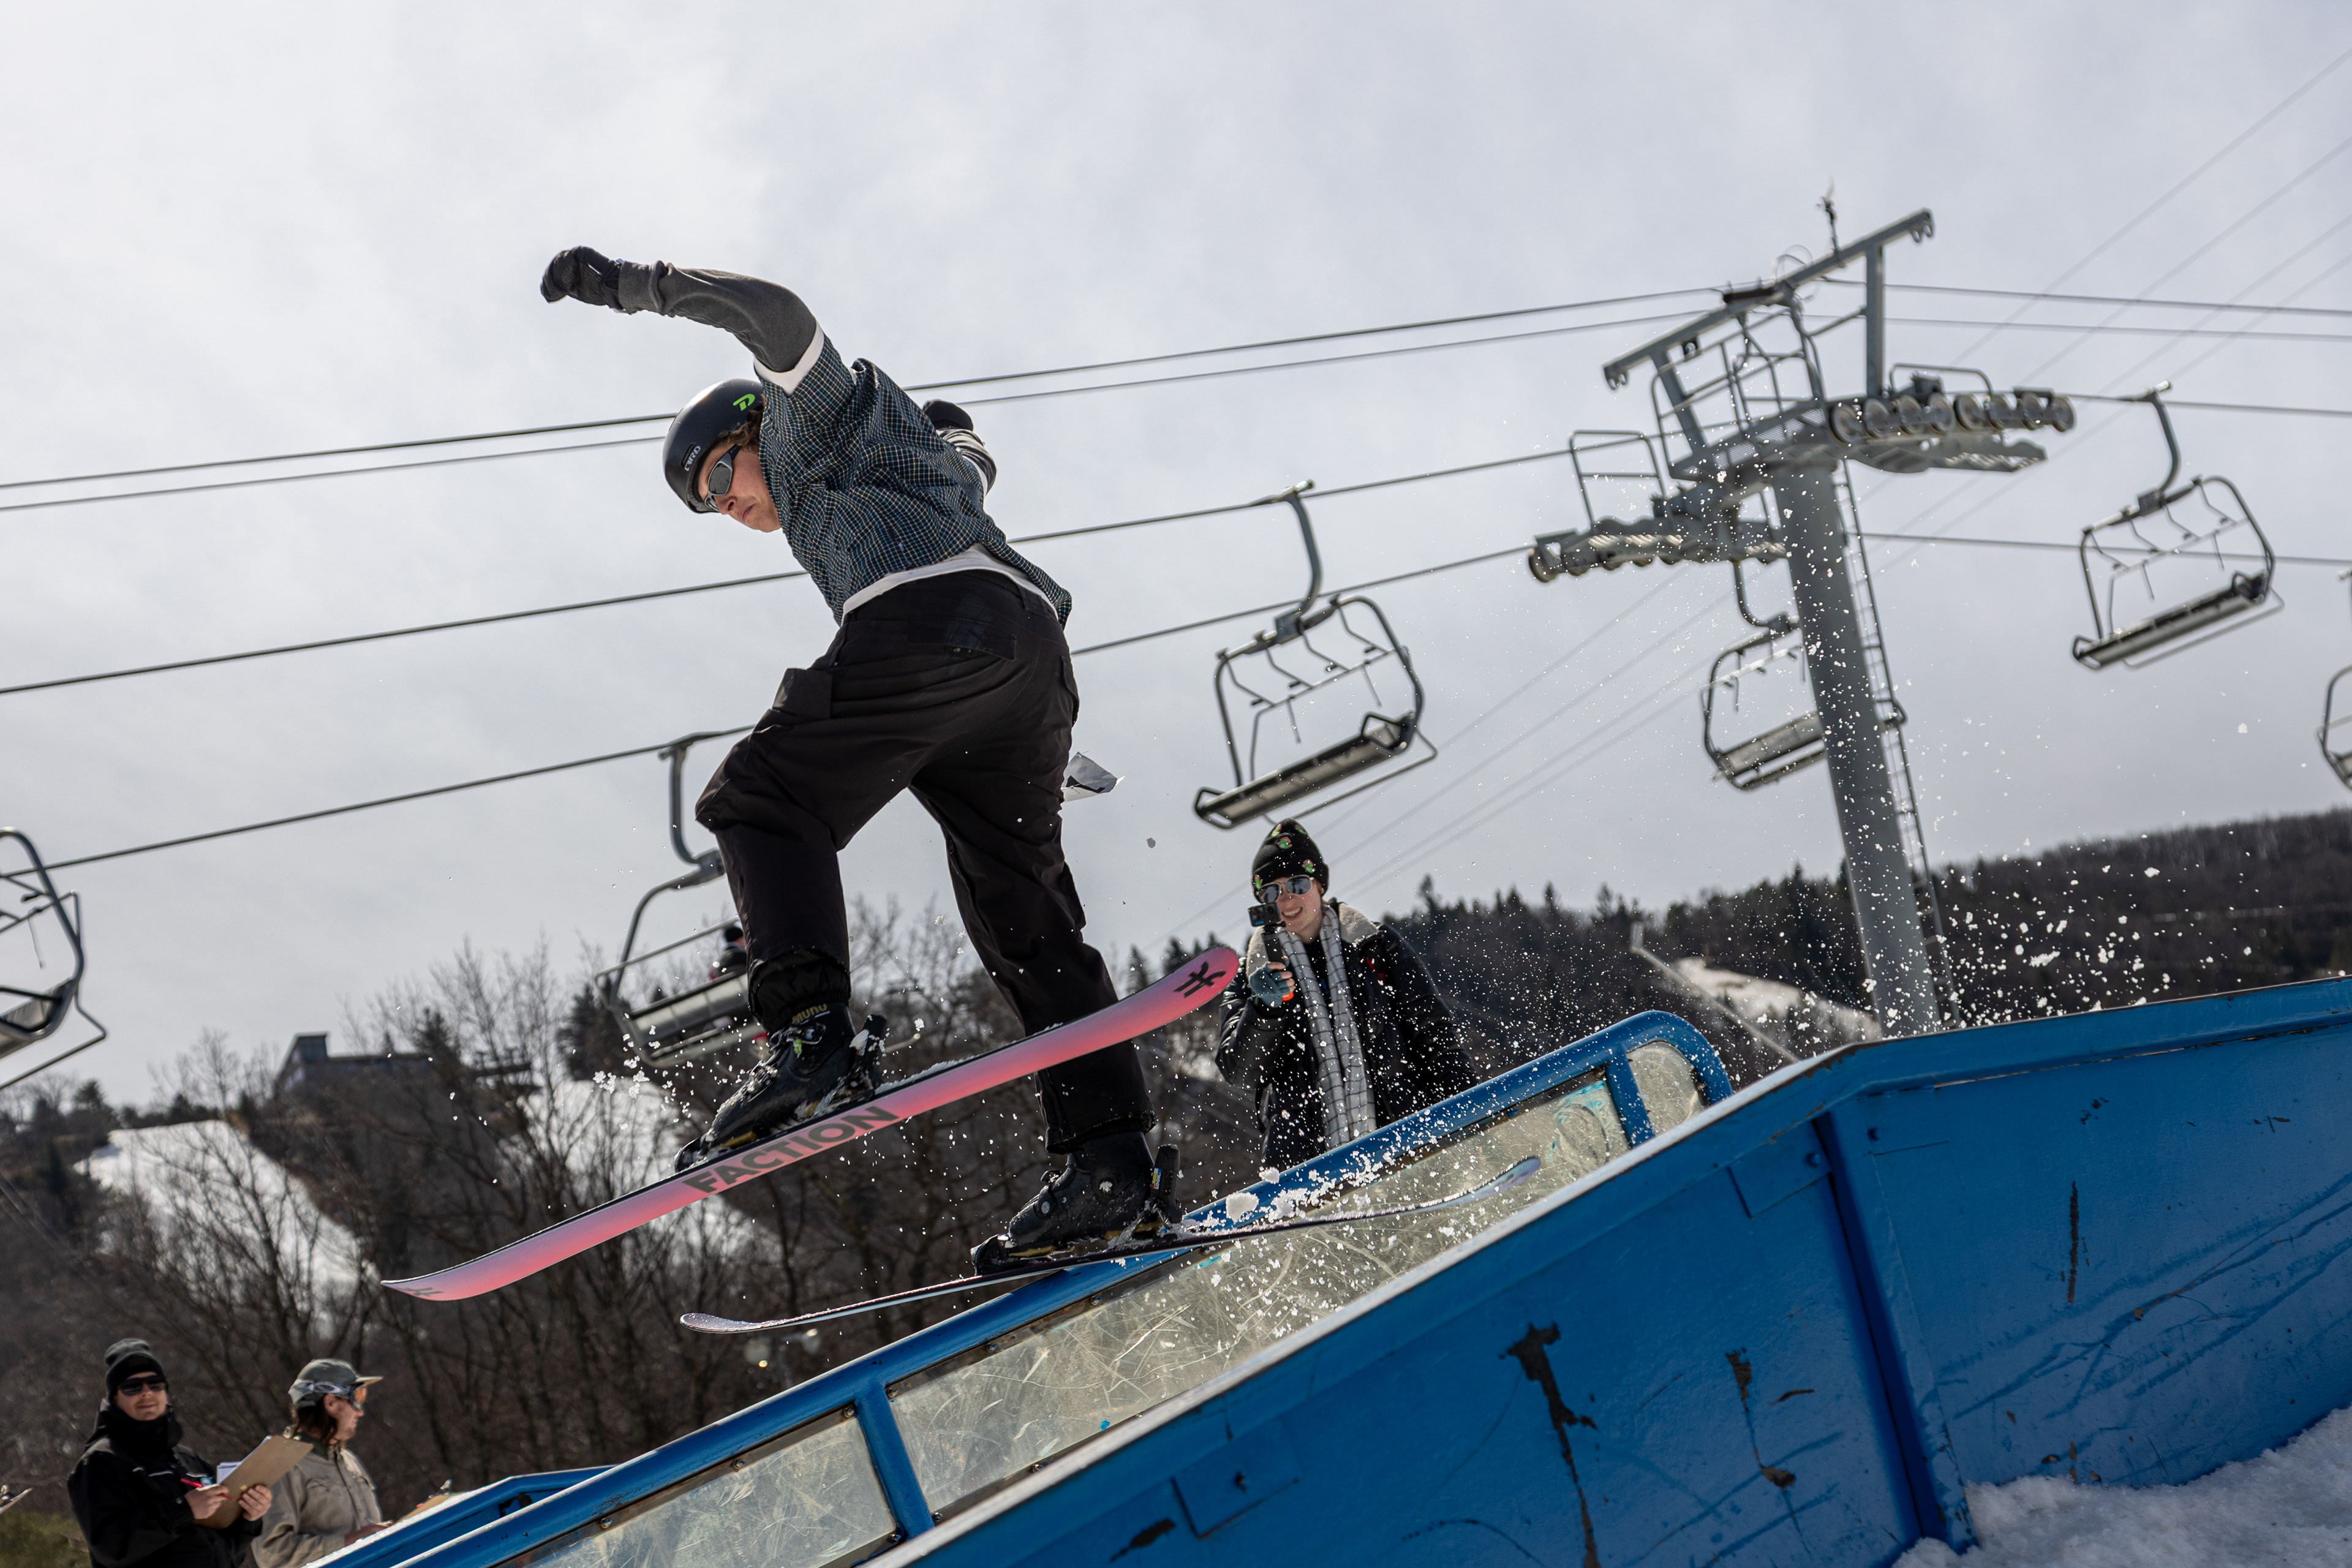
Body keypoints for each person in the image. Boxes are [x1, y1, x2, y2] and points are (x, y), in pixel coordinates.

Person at [540, 247, 1159, 1257]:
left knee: (759, 797)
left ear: (753, 423)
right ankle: (1113, 1161)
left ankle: (809, 1037)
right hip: (1027, 668)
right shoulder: (874, 480)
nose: (724, 503)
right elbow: (957, 467)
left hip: (937, 626)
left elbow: (780, 317)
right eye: (705, 506)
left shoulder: (806, 417)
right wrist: (956, 441)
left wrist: (636, 286)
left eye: (718, 474)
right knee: (1023, 918)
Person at [1216, 821, 1476, 1169]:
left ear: (1319, 884)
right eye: (1272, 892)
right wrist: (1263, 1010)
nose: (1287, 899)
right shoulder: (1249, 977)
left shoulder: (1376, 946)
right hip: (1307, 1172)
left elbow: (1435, 1036)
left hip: (1406, 1144)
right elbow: (1240, 1073)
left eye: (1297, 884)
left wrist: (1473, 1115)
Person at [67, 1339, 271, 1568]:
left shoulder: (189, 1461)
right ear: (115, 1397)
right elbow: (110, 1547)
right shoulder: (101, 1462)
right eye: (133, 1387)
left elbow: (226, 1552)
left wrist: (248, 1519)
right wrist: (184, 1510)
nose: (146, 1393)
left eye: (155, 1384)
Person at [252, 1359, 384, 1567]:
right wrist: (348, 1542)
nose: (360, 1411)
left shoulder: (350, 1461)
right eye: (356, 1398)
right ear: (330, 1403)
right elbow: (271, 1553)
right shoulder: (282, 1467)